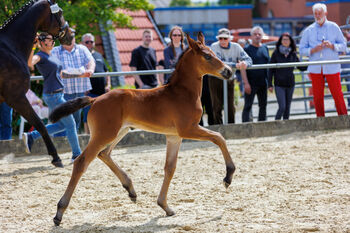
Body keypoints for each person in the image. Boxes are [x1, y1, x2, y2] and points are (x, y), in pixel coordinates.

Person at [23, 32, 82, 163]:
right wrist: (33, 46)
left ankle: (32, 136)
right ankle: (76, 155)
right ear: (43, 42)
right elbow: (29, 63)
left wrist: (80, 74)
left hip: (58, 94)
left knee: (62, 125)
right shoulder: (40, 55)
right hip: (53, 95)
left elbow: (61, 74)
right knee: (71, 124)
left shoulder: (51, 55)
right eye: (50, 40)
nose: (53, 42)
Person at [299, 3, 347, 117]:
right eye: (315, 13)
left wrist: (332, 46)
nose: (317, 15)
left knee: (337, 94)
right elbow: (301, 50)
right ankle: (320, 119)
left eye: (319, 13)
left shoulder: (334, 27)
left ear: (325, 13)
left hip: (332, 66)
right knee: (317, 96)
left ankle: (344, 118)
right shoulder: (309, 30)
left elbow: (344, 45)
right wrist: (312, 50)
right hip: (315, 68)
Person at [51, 28, 96, 132]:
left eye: (72, 36)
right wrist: (82, 73)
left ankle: (72, 145)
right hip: (62, 93)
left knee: (75, 121)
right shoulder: (54, 51)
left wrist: (90, 69)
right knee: (62, 121)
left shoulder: (82, 49)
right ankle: (60, 143)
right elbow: (60, 73)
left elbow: (91, 61)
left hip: (80, 91)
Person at [209, 28, 252, 124]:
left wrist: (245, 63)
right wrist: (235, 65)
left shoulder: (236, 47)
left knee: (230, 106)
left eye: (225, 38)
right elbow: (219, 63)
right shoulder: (214, 46)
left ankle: (231, 128)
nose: (223, 41)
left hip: (229, 79)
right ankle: (218, 128)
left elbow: (248, 59)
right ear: (218, 39)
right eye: (221, 39)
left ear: (229, 39)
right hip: (215, 78)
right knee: (217, 106)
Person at [268, 33, 307, 120]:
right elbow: (271, 69)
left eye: (287, 39)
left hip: (290, 84)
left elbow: (300, 67)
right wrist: (270, 84)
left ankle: (286, 125)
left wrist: (310, 63)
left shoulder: (292, 54)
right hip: (279, 84)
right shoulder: (276, 53)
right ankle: (276, 124)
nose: (285, 41)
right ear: (280, 41)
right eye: (283, 39)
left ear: (290, 41)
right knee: (282, 107)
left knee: (287, 108)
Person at [81, 33, 111, 134]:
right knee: (88, 116)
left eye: (91, 41)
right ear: (82, 43)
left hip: (102, 92)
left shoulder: (99, 55)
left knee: (104, 115)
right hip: (89, 93)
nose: (89, 44)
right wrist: (83, 87)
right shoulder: (81, 56)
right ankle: (86, 138)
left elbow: (106, 71)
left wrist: (108, 85)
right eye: (87, 42)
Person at [242, 26, 270, 122]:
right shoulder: (247, 49)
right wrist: (246, 83)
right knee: (248, 106)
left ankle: (262, 127)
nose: (257, 36)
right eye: (255, 34)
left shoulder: (265, 48)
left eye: (259, 34)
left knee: (263, 105)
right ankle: (245, 128)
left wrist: (270, 83)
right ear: (251, 36)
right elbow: (242, 69)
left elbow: (268, 67)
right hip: (251, 83)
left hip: (263, 82)